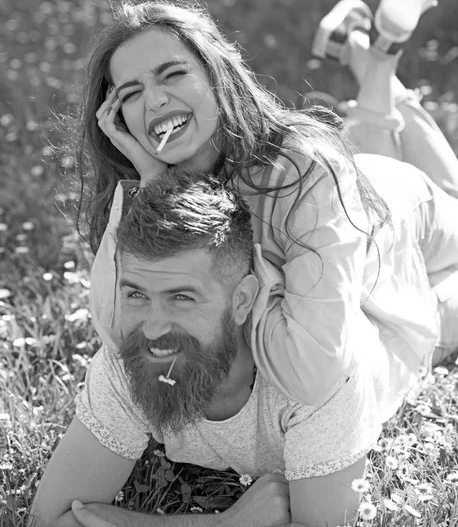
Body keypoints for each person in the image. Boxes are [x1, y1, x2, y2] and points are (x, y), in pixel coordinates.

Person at [77, 0, 458, 409]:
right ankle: (371, 52)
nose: (156, 100)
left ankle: (378, 55)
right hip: (359, 214)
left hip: (399, 211)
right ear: (118, 120)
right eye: (131, 93)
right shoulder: (146, 190)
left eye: (173, 74)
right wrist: (155, 185)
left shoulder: (298, 168)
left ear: (216, 73)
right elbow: (116, 335)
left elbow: (314, 371)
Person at [28, 167, 458, 527]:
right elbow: (53, 520)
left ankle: (379, 83)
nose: (154, 327)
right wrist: (221, 522)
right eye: (137, 294)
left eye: (182, 297)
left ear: (242, 300)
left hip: (387, 219)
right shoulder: (133, 359)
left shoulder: (317, 372)